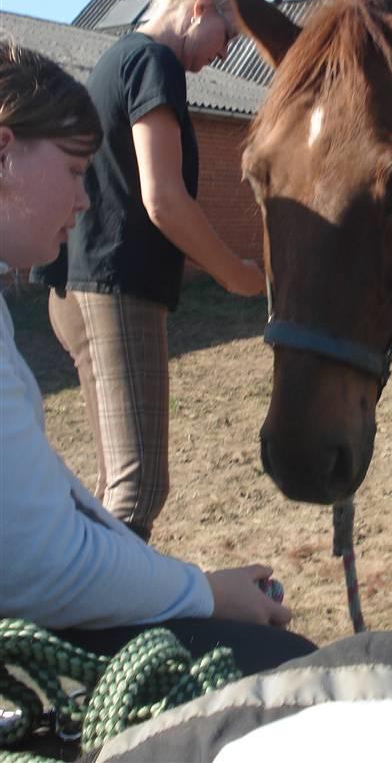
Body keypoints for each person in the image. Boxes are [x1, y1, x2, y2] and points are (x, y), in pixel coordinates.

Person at [0, 41, 316, 673]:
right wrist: (203, 595)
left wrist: (193, 583)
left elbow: (50, 501)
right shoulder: (151, 63)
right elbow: (39, 560)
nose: (84, 199)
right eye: (74, 171)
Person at [32, 0, 266, 543]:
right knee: (138, 487)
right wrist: (236, 273)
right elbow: (163, 198)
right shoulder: (152, 62)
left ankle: (99, 588)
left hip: (85, 287)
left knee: (118, 482)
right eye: (227, 37)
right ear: (200, 8)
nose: (225, 54)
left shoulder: (122, 57)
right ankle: (111, 600)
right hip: (113, 289)